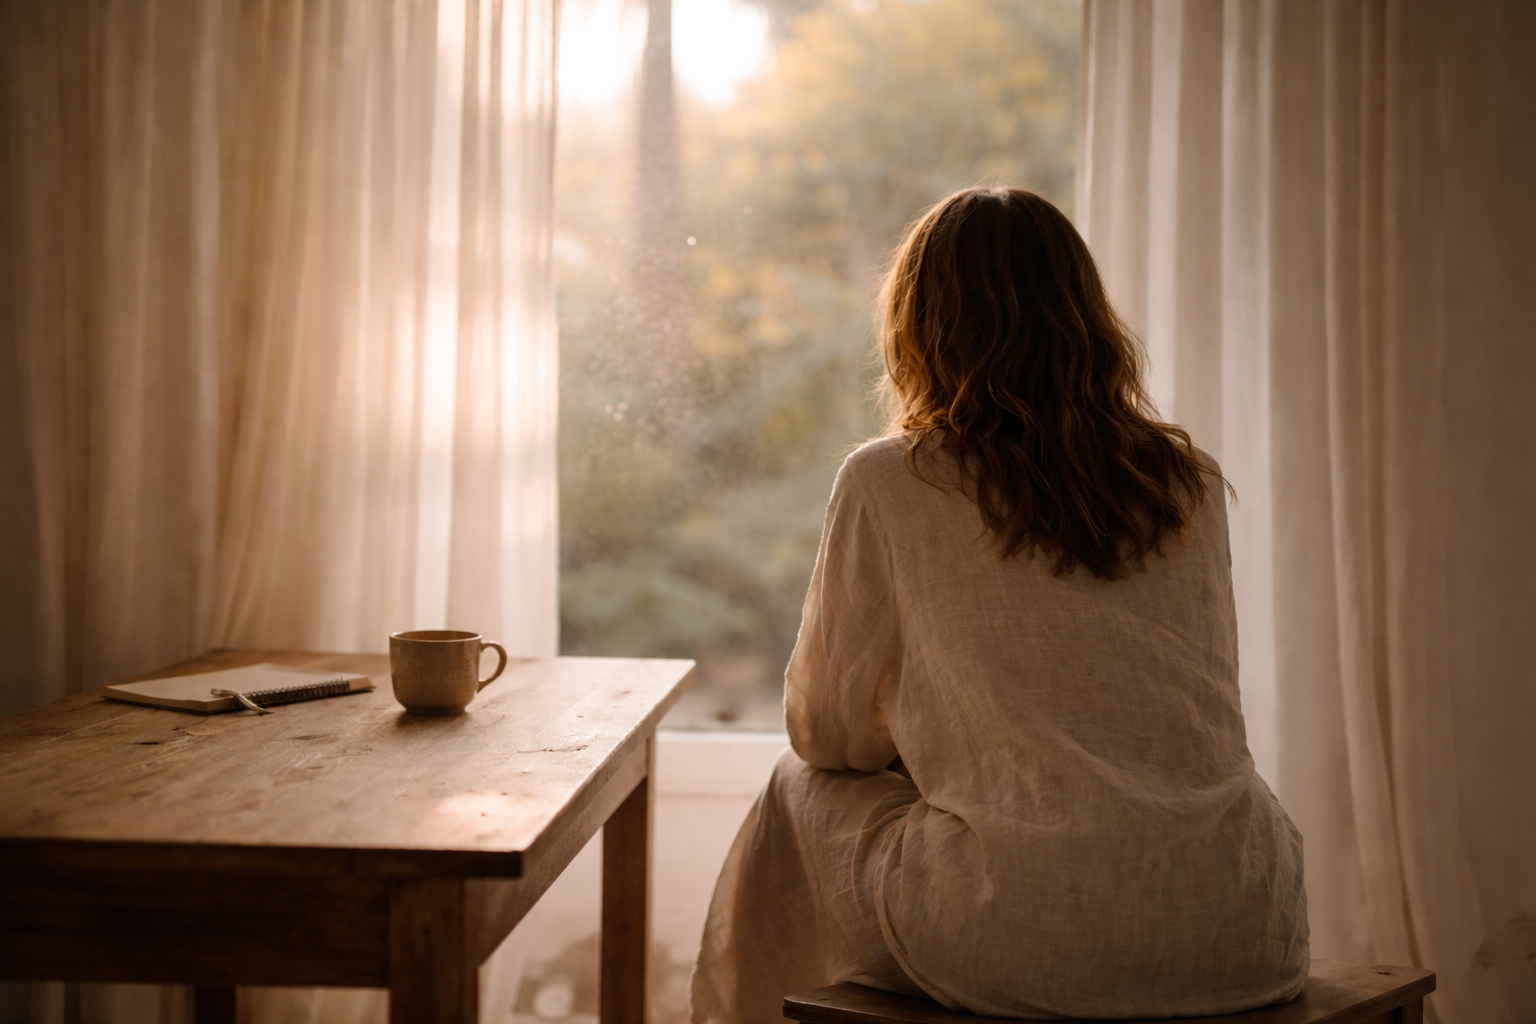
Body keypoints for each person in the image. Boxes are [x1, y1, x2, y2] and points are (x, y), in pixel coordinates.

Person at [690, 187, 1308, 1023]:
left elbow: (827, 732)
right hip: (1241, 918)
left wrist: (935, 749)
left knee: (798, 783)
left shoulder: (890, 479)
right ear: (1086, 318)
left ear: (921, 327)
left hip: (1021, 935)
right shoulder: (1185, 480)